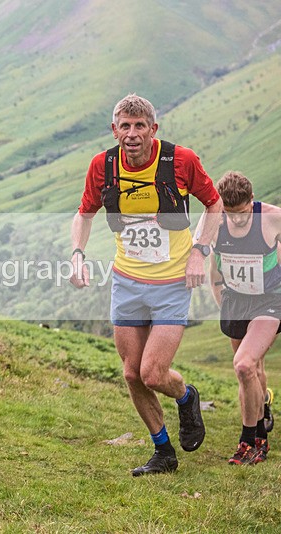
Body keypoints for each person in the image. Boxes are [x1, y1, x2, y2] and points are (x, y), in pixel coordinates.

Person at [69, 93, 223, 476]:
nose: (132, 134)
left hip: (172, 283)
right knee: (131, 373)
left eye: (140, 126)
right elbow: (84, 214)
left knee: (153, 373)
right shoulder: (103, 165)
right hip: (127, 282)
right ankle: (163, 451)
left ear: (153, 128)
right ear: (114, 129)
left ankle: (185, 397)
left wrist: (200, 251)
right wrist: (77, 254)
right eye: (125, 126)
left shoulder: (180, 160)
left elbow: (214, 204)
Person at [207, 171, 281, 465]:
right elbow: (215, 271)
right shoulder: (214, 221)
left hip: (269, 301)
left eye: (243, 212)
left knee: (244, 364)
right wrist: (223, 303)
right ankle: (262, 417)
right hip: (236, 302)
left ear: (253, 200)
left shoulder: (272, 217)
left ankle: (250, 441)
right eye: (230, 213)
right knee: (251, 371)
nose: (237, 219)